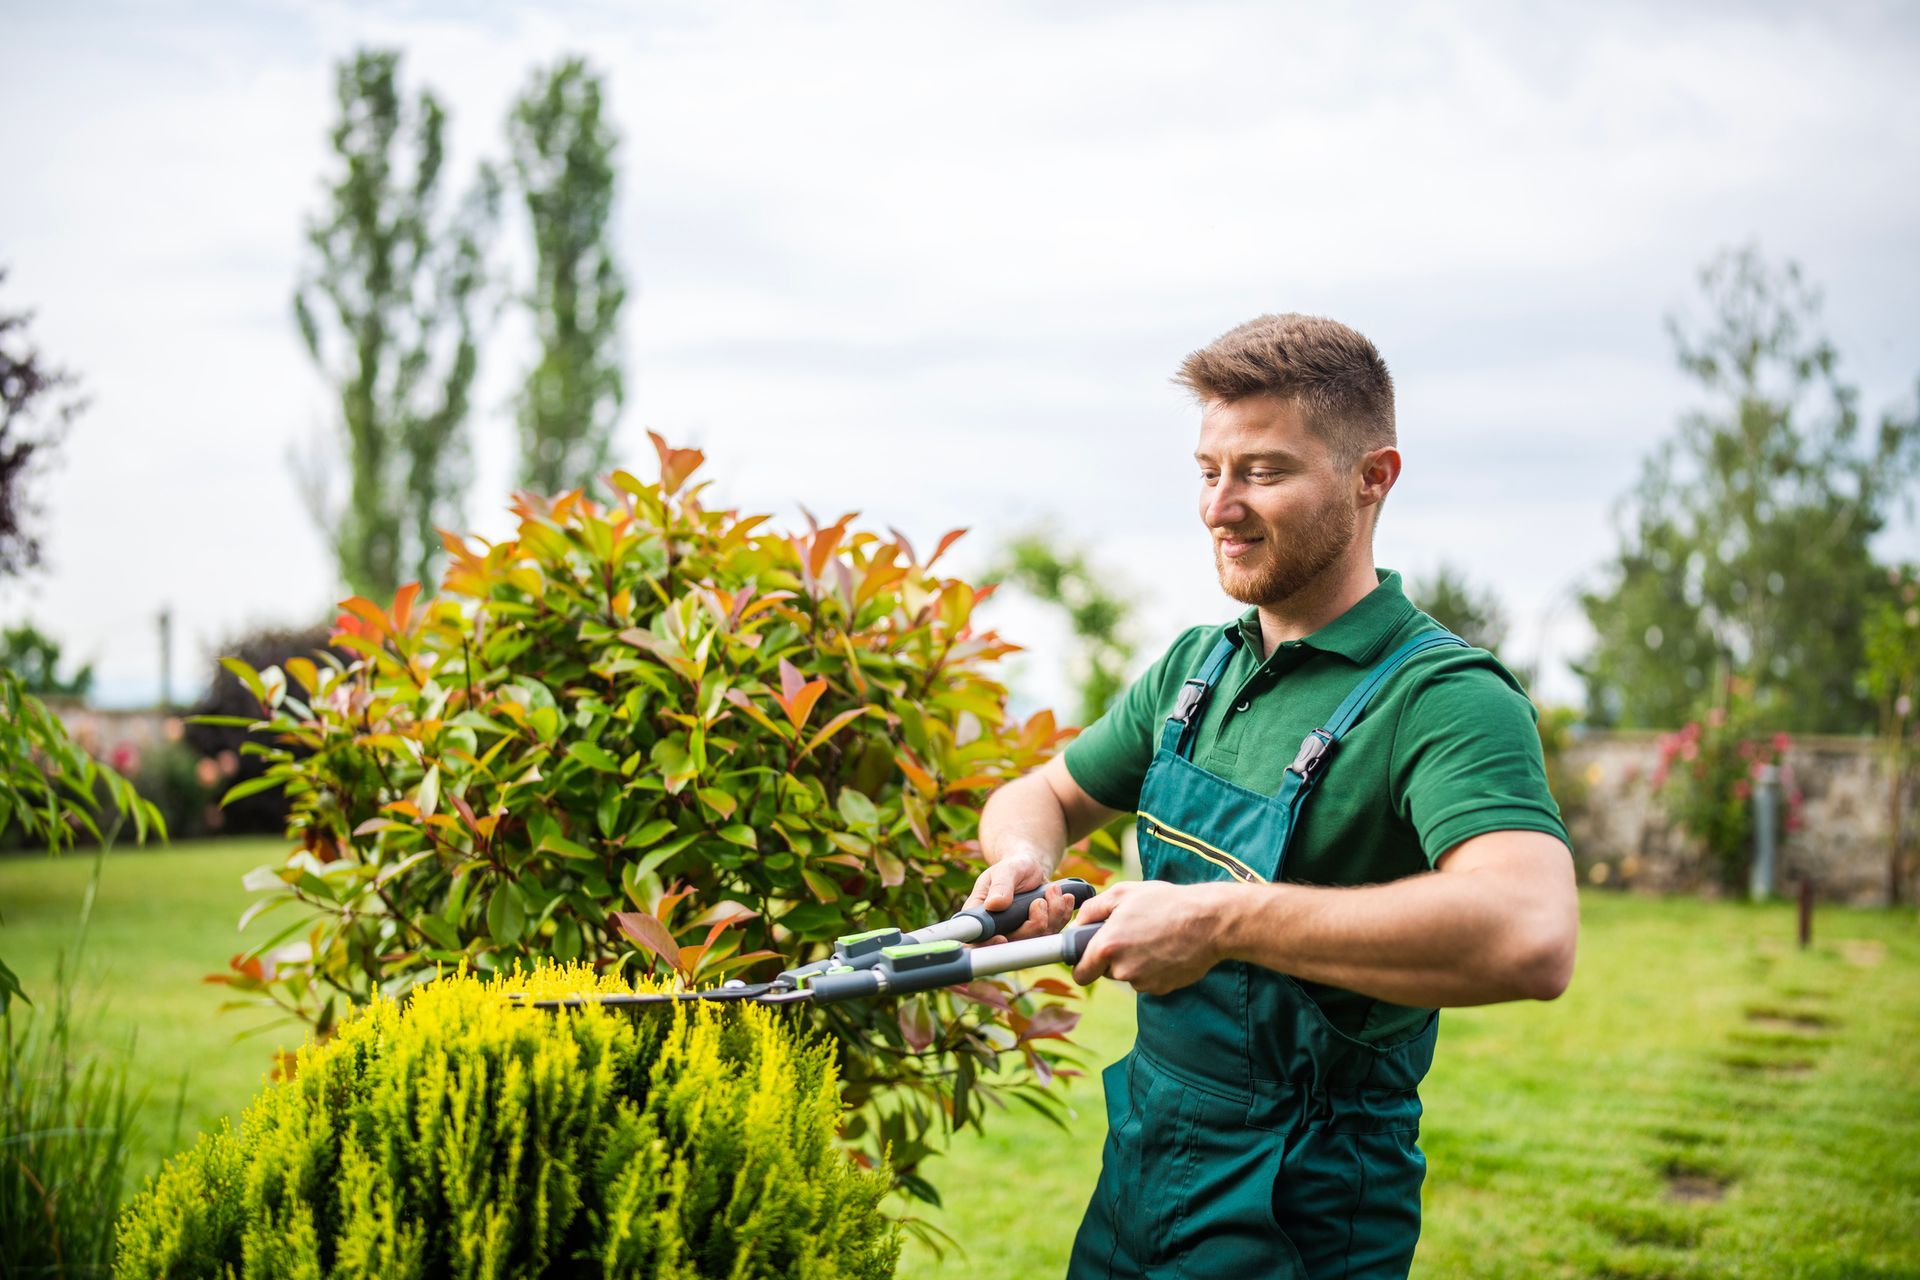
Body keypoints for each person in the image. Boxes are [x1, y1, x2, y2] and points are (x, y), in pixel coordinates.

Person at [968, 313, 1577, 1279]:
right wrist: (1026, 861)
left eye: (1262, 471)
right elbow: (1041, 791)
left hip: (1304, 1208)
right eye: (1208, 471)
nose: (1219, 507)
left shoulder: (1445, 700)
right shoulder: (1194, 672)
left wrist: (1220, 921)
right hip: (1140, 1175)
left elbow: (1531, 933)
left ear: (1373, 478)